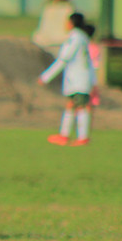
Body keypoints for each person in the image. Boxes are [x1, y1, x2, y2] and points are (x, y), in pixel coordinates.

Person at [39, 12, 95, 146]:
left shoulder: (75, 38)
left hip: (79, 80)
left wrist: (46, 77)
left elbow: (63, 59)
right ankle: (64, 135)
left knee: (81, 106)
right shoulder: (81, 37)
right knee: (71, 105)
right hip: (79, 79)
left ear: (72, 23)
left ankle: (82, 137)